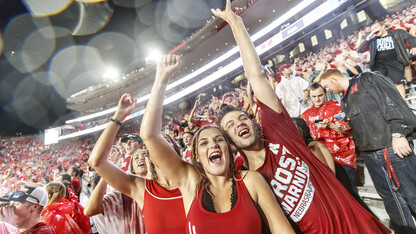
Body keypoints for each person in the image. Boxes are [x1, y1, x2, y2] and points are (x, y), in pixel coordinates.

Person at [215, 1, 390, 233]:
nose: (239, 124)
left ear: (254, 122)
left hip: (356, 227)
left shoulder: (279, 134)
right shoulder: (246, 180)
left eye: (242, 118)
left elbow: (256, 76)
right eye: (230, 125)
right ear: (229, 142)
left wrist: (236, 24)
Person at [140, 52, 294, 233]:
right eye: (204, 143)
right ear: (196, 155)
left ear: (229, 149)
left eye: (219, 139)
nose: (213, 144)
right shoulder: (190, 182)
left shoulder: (251, 181)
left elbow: (283, 231)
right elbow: (149, 135)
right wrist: (161, 78)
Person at [319, 68, 416, 233]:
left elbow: (393, 101)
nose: (328, 91)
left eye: (327, 87)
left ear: (334, 79)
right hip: (369, 152)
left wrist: (399, 133)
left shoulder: (367, 79)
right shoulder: (345, 99)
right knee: (390, 199)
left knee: (412, 192)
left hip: (390, 146)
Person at [88, 103, 186, 234]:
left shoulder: (193, 178)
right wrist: (119, 116)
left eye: (166, 141)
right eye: (152, 146)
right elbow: (96, 162)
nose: (160, 147)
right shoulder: (140, 188)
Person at [301, 83, 358, 195]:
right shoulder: (306, 115)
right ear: (310, 96)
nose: (317, 99)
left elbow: (347, 130)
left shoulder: (337, 108)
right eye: (314, 96)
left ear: (325, 93)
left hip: (342, 158)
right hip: (321, 160)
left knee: (350, 194)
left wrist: (330, 125)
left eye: (320, 95)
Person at [84, 148, 148, 234]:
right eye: (136, 158)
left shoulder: (163, 186)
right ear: (132, 169)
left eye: (145, 155)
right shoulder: (124, 193)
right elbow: (89, 210)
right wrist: (106, 174)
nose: (141, 158)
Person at [357, 21, 416, 98]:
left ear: (383, 27)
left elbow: (410, 38)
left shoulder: (397, 33)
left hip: (395, 61)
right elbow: (360, 49)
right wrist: (369, 36)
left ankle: (403, 103)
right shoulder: (373, 40)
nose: (374, 30)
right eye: (372, 29)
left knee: (398, 83)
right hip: (379, 65)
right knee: (383, 85)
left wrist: (414, 46)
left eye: (376, 27)